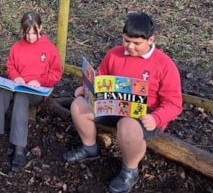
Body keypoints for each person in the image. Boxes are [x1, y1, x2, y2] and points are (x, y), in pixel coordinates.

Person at [63, 12, 182, 193]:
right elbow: (101, 77)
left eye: (137, 43)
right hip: (113, 104)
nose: (130, 47)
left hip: (145, 113)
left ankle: (129, 170)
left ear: (151, 40)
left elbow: (174, 103)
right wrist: (87, 89)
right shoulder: (114, 54)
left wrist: (156, 118)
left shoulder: (165, 65)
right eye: (126, 41)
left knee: (127, 126)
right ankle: (89, 148)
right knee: (78, 105)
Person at [0, 11, 63, 173]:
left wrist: (39, 81)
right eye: (27, 33)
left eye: (34, 32)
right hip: (19, 84)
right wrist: (16, 77)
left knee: (21, 97)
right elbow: (11, 67)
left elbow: (56, 74)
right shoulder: (16, 47)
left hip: (37, 90)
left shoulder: (50, 49)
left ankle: (19, 148)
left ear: (40, 28)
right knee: (4, 92)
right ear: (21, 31)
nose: (31, 37)